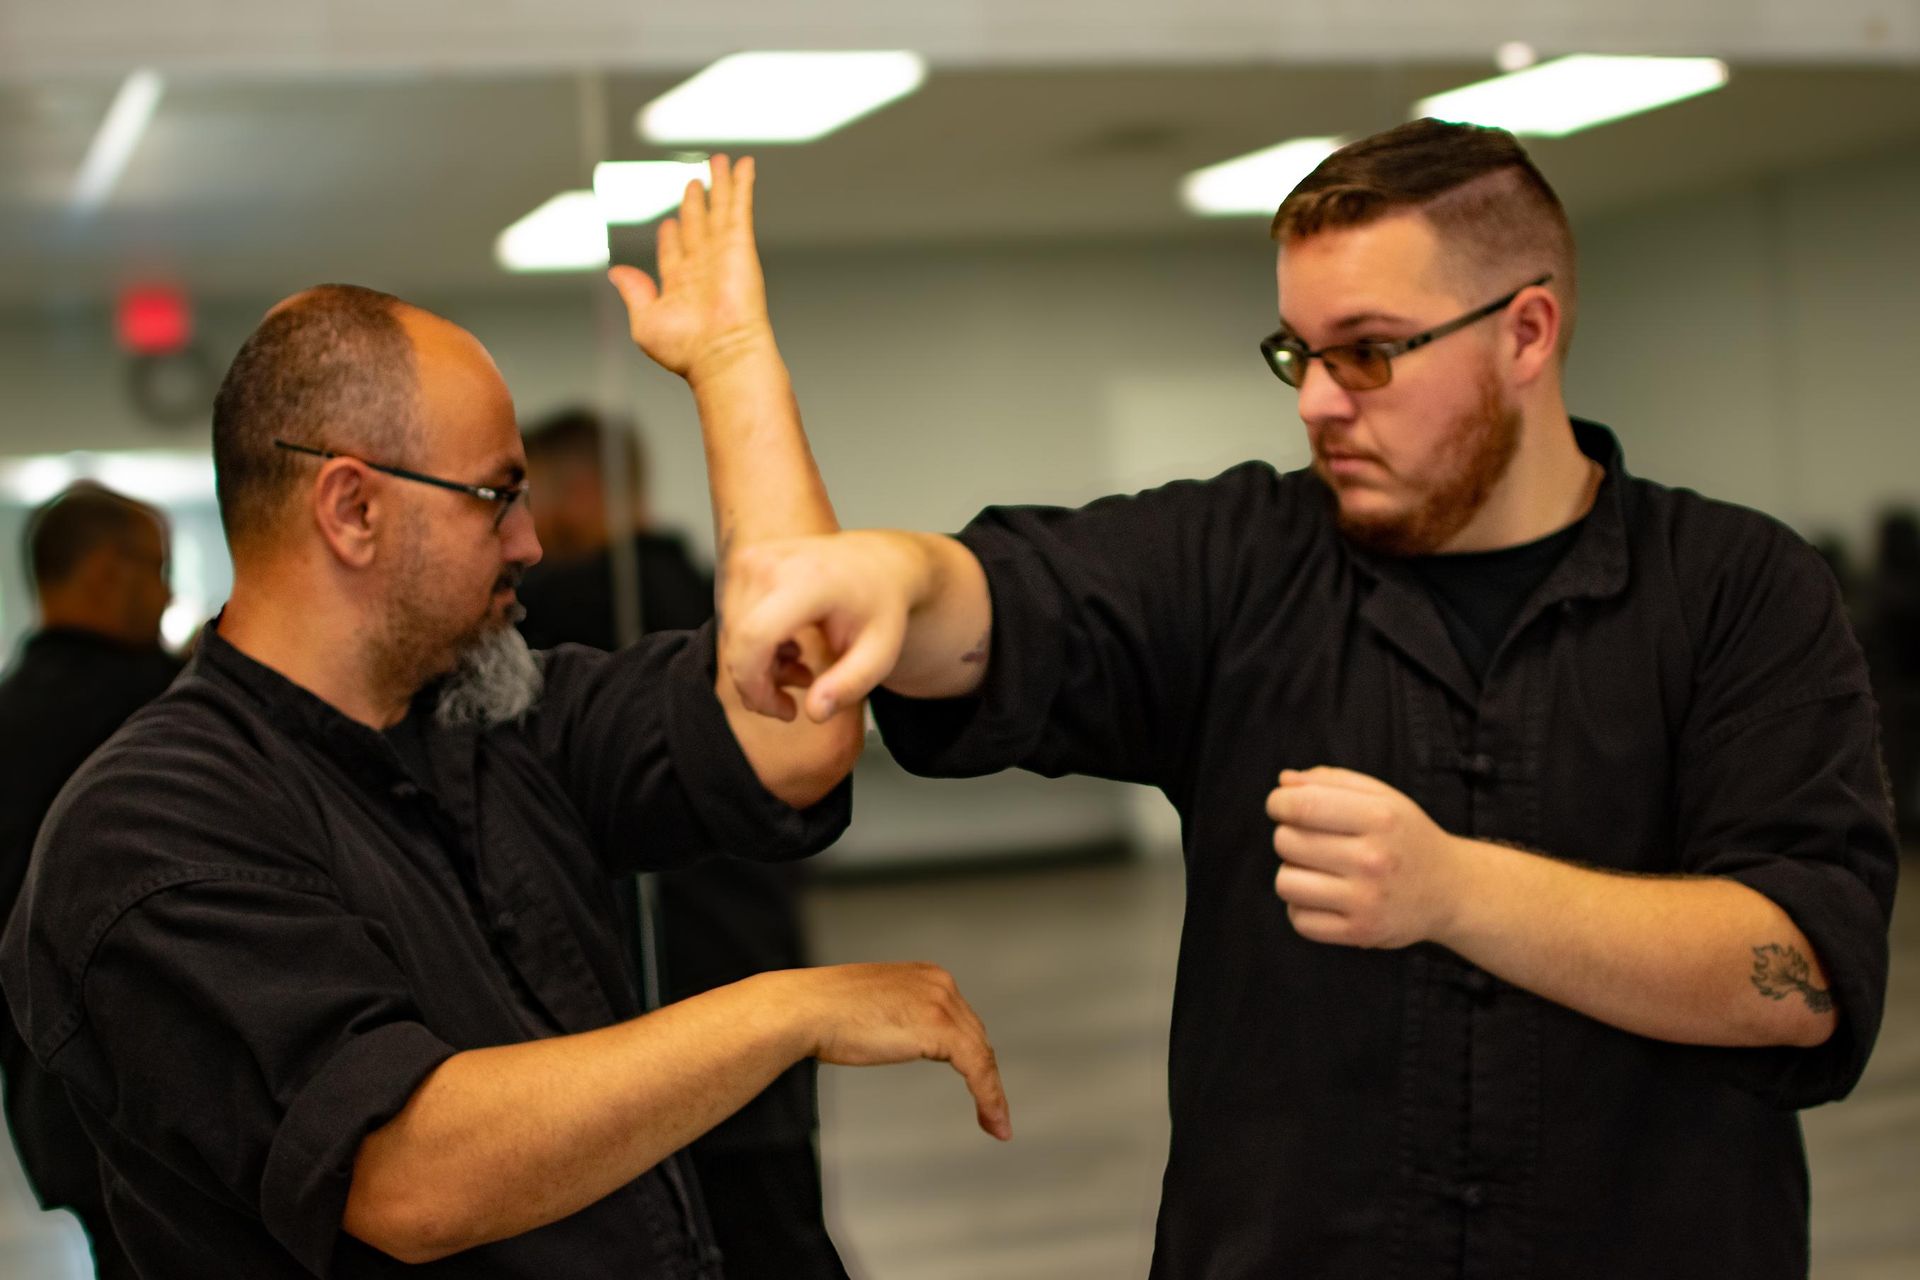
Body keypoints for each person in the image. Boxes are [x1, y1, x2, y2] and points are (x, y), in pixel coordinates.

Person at [686, 121, 1898, 1278]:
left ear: (1526, 332)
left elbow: (1803, 975)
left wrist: (1455, 889)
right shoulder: (1238, 559)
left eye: (1368, 351)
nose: (1317, 399)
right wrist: (898, 573)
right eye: (1297, 354)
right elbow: (994, 603)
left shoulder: (1740, 591)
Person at [1, 157, 1009, 1279]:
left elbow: (798, 726)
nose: (530, 541)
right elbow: (412, 1172)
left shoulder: (505, 716)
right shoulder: (151, 830)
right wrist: (783, 1013)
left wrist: (733, 366)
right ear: (353, 508)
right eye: (496, 496)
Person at [515, 408, 845, 1279]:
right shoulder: (701, 593)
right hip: (745, 958)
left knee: (750, 1233)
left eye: (524, 498)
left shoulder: (590, 600)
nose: (519, 537)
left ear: (581, 495)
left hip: (697, 975)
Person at [0, 482, 179, 1278]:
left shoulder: (9, 716)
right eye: (158, 568)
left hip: (54, 1097)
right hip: (170, 1100)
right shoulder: (161, 712)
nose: (168, 594)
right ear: (107, 572)